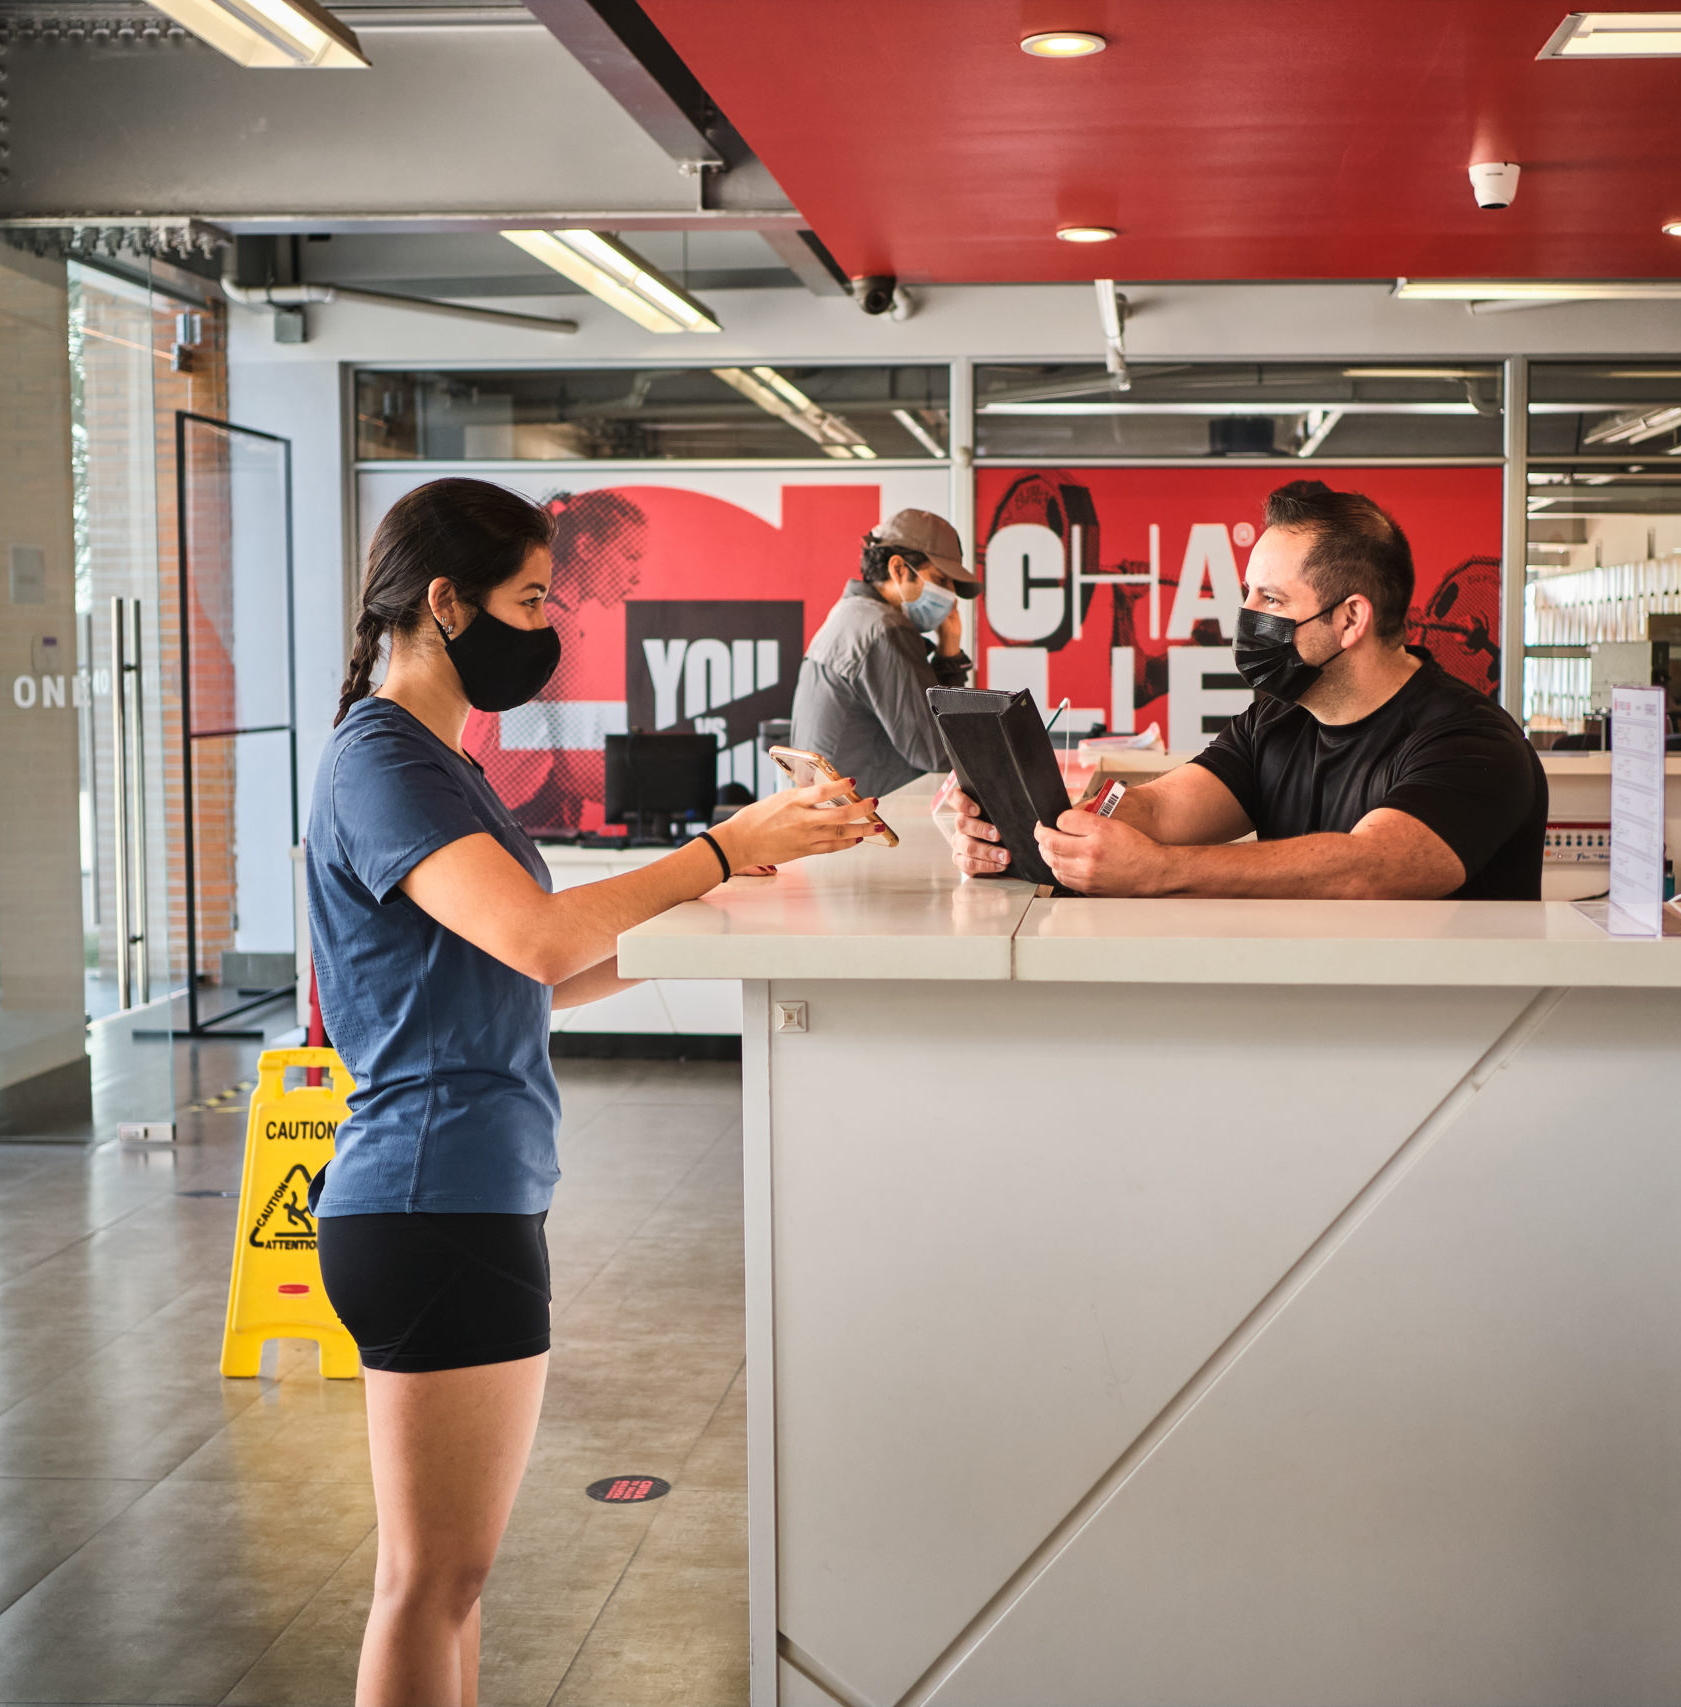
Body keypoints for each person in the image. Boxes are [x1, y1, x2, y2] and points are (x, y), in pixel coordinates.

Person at [306, 478, 878, 1707]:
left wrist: (729, 894)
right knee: (429, 1583)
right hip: (430, 1200)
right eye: (527, 601)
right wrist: (718, 849)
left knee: (453, 1585)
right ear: (444, 602)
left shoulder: (437, 762)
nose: (546, 626)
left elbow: (537, 977)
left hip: (462, 1196)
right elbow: (538, 939)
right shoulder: (384, 762)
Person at [940, 480, 1546, 900]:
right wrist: (1043, 825)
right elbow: (1162, 808)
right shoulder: (1276, 719)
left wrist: (1158, 871)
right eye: (1248, 593)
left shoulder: (1473, 743)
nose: (1246, 615)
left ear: (1350, 619)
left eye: (1271, 599)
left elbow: (1366, 871)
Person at [788, 507, 978, 797]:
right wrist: (950, 657)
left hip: (838, 811)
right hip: (869, 817)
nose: (951, 597)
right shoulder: (886, 629)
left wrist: (946, 655)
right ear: (899, 569)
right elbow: (939, 754)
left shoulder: (850, 615)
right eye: (941, 580)